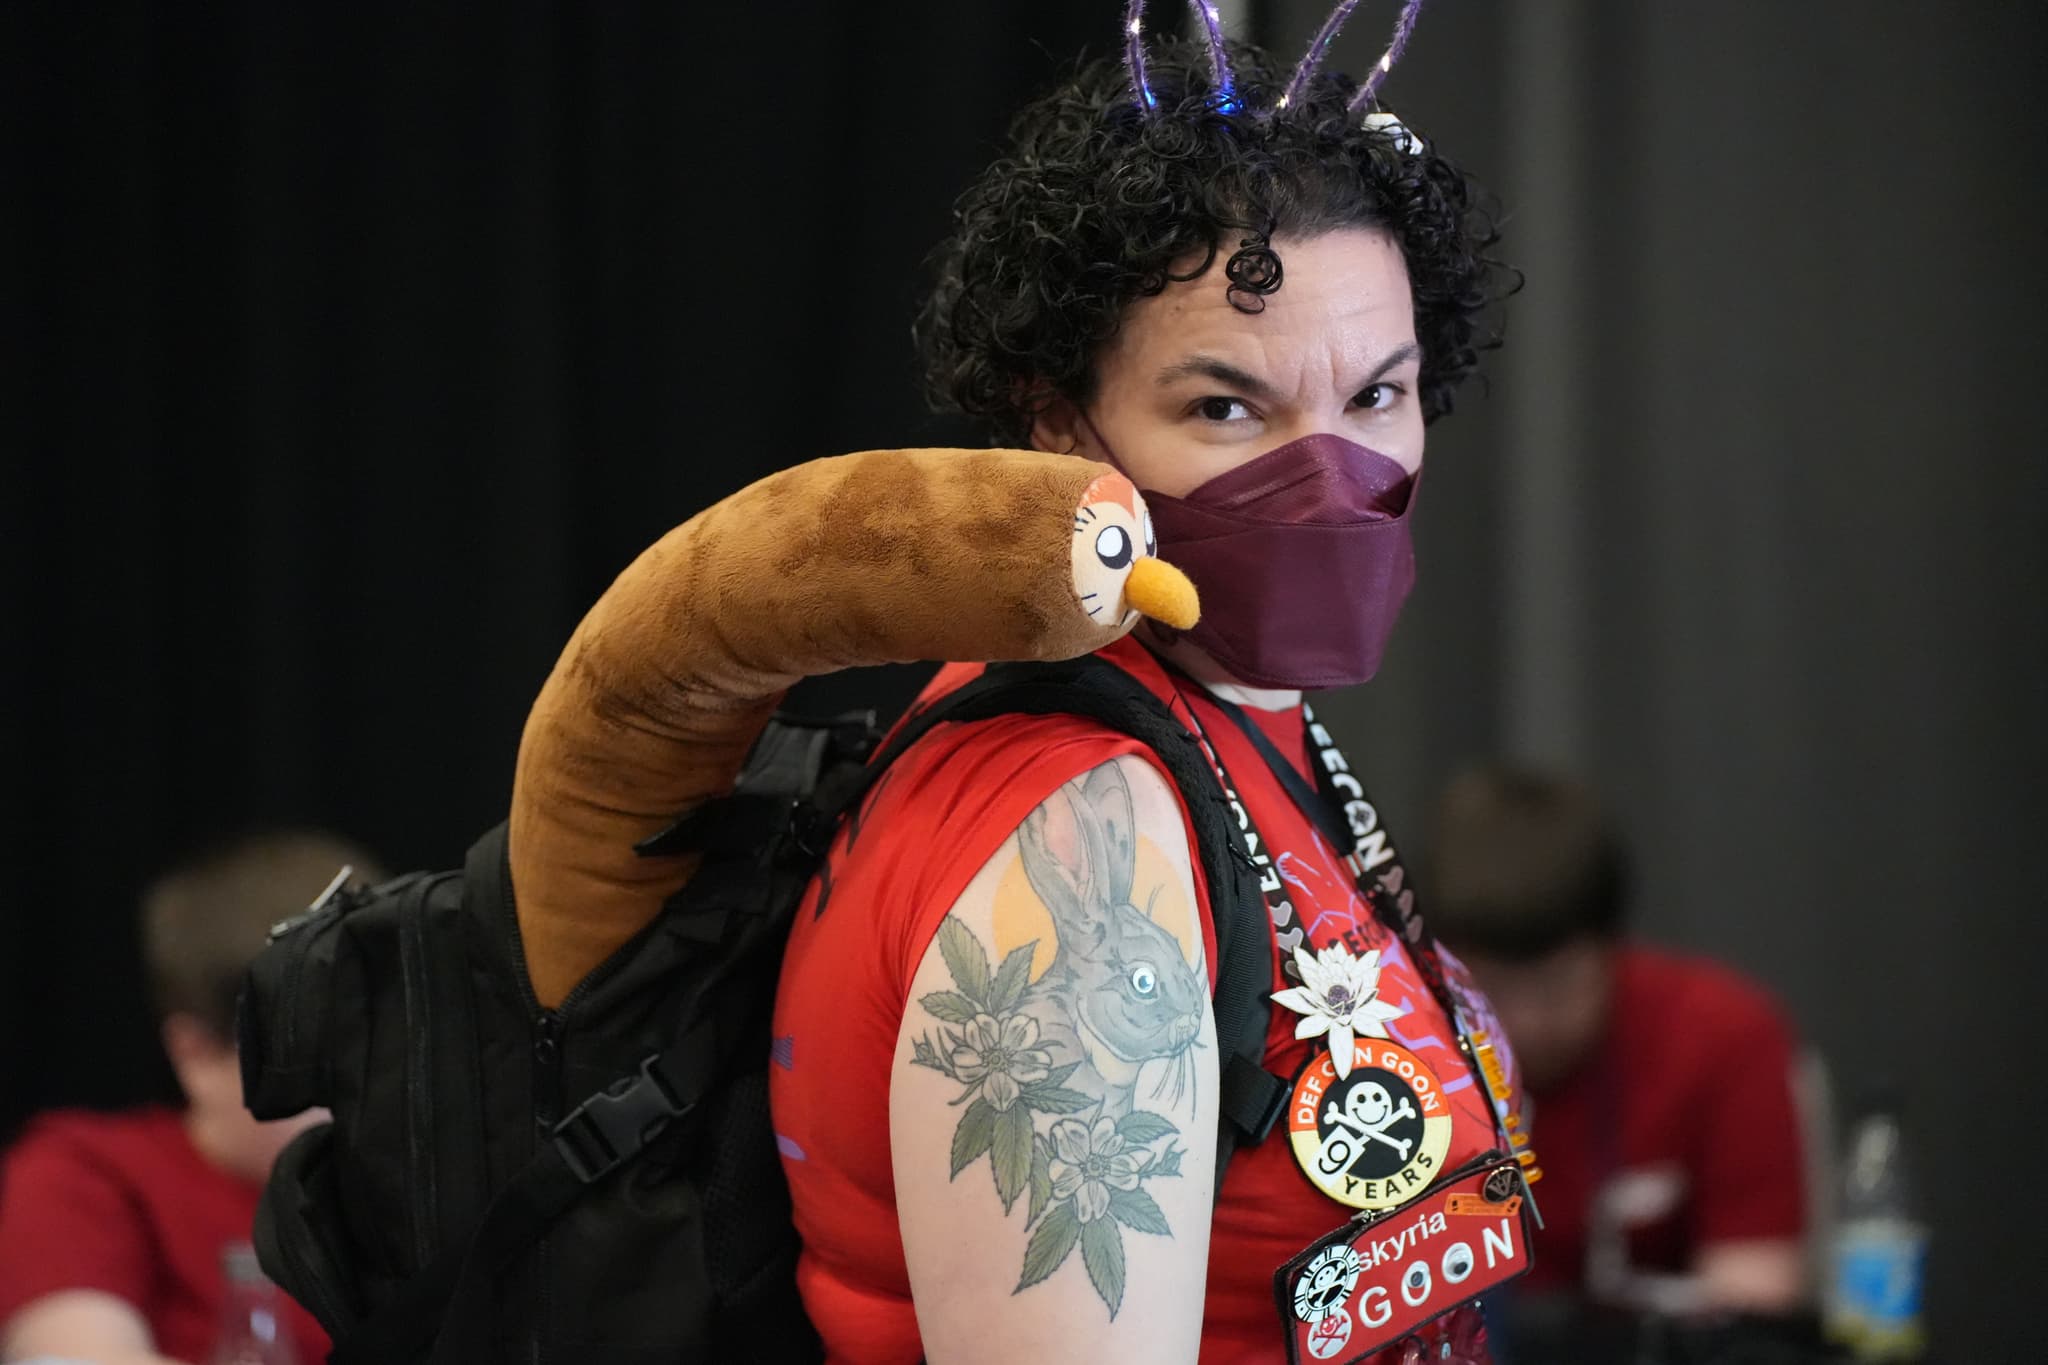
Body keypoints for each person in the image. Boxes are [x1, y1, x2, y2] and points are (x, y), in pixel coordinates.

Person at [771, 11, 1529, 1363]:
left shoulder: (1232, 725)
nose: (1334, 475)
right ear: (1064, 424)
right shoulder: (1080, 828)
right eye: (1226, 409)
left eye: (1378, 394)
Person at [1422, 766, 1808, 1317]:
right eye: (1494, 991)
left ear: (1612, 950)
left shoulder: (1723, 1035)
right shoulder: (1388, 1058)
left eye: (1559, 987)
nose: (1527, 1023)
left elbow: (1756, 1295)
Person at [0, 832, 374, 1365]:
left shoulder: (436, 1192)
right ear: (195, 1053)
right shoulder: (87, 1175)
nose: (359, 1086)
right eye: (318, 1063)